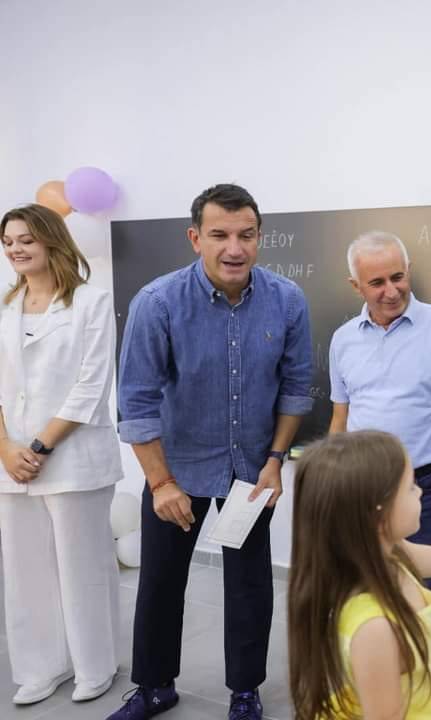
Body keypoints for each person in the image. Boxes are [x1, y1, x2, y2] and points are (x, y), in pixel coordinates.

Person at [109, 184, 314, 720]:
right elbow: (136, 404)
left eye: (246, 235)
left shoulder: (287, 300)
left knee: (249, 587)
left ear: (260, 237)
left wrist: (275, 461)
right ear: (195, 237)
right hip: (176, 472)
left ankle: (245, 691)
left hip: (252, 471)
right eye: (219, 234)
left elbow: (296, 390)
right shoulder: (157, 303)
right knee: (160, 582)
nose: (234, 248)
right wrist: (160, 484)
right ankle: (154, 686)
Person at [328, 230, 431, 673]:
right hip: (363, 490)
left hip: (430, 487)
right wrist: (332, 490)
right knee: (368, 592)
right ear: (356, 285)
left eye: (398, 277)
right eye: (377, 283)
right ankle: (392, 686)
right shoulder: (342, 340)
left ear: (408, 271)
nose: (391, 290)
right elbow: (340, 417)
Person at [288, 430, 431, 719]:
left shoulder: (392, 553)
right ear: (379, 514)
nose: (420, 492)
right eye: (410, 487)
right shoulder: (375, 628)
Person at [0, 204, 123, 705]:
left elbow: (91, 386)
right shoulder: (5, 307)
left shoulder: (91, 302)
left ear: (52, 240)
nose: (16, 249)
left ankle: (96, 664)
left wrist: (38, 447)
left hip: (72, 458)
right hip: (12, 463)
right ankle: (40, 666)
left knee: (83, 567)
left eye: (26, 239)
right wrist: (6, 449)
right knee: (24, 570)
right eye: (8, 242)